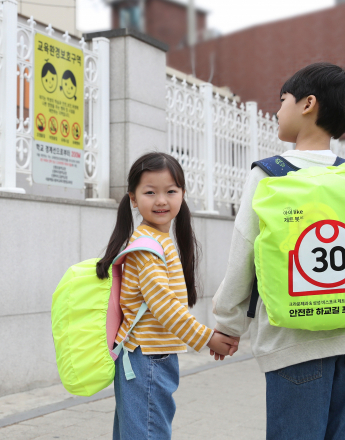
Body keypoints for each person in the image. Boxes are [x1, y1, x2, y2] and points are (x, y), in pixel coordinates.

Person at [212, 63, 345, 439]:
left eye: (283, 100)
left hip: (293, 342)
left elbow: (244, 252)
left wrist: (229, 324)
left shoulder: (269, 174)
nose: (277, 110)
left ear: (308, 104)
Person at [96, 152, 239, 440]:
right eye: (150, 192)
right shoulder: (147, 247)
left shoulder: (157, 240)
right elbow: (165, 307)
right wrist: (207, 337)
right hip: (146, 359)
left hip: (148, 357)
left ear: (182, 194)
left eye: (170, 191)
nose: (161, 200)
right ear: (133, 199)